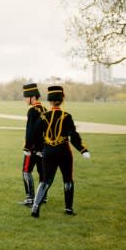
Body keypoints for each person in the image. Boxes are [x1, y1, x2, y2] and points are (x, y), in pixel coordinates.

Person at [30, 85, 90, 217]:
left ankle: (35, 206)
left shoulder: (43, 116)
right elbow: (73, 135)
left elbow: (34, 135)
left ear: (50, 100)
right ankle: (68, 209)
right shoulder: (66, 116)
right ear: (62, 100)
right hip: (63, 151)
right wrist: (83, 150)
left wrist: (38, 149)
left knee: (45, 180)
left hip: (48, 151)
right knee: (68, 179)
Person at [20, 83, 47, 206]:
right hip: (43, 148)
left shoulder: (32, 111)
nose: (25, 99)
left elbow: (30, 131)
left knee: (26, 171)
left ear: (32, 97)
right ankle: (43, 197)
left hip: (32, 148)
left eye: (26, 97)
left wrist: (27, 147)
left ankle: (30, 198)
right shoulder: (45, 110)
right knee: (42, 172)